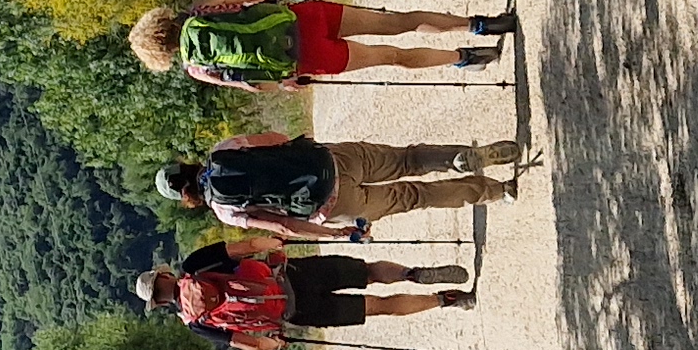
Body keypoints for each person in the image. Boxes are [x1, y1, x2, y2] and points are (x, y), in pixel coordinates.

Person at [154, 130, 523, 239]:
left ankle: (497, 190)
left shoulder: (225, 211)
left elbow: (282, 224)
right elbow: (275, 137)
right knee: (407, 158)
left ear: (185, 198)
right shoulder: (223, 150)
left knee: (415, 197)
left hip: (332, 203)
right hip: (333, 159)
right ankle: (459, 156)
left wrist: (332, 234)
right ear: (185, 167)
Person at [126, 0, 513, 88]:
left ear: (162, 53)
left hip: (305, 57)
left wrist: (286, 80)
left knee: (391, 57)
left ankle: (463, 57)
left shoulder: (195, 69)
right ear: (161, 20)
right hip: (303, 17)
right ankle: (480, 24)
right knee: (394, 22)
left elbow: (248, 82)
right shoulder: (198, 10)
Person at [141, 241, 469, 350]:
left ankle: (444, 300)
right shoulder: (192, 266)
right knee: (366, 272)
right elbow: (242, 248)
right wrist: (271, 242)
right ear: (165, 276)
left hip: (293, 312)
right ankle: (411, 274)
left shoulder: (195, 323)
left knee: (377, 308)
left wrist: (274, 342)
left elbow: (247, 342)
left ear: (159, 302)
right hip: (289, 275)